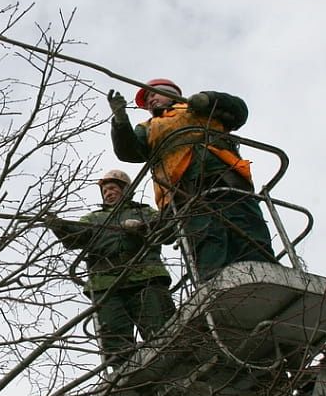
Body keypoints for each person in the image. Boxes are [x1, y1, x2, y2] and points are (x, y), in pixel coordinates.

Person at [107, 78, 276, 281]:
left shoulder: (197, 108)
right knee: (206, 238)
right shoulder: (148, 128)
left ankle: (267, 274)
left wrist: (208, 98)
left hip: (226, 179)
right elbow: (129, 152)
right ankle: (214, 283)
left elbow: (238, 111)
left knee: (247, 229)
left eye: (154, 94)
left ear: (171, 93)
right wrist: (120, 120)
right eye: (147, 99)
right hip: (184, 193)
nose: (151, 100)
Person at [46, 170, 175, 368]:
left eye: (113, 188)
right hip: (106, 285)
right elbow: (75, 237)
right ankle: (130, 381)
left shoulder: (144, 212)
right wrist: (59, 225)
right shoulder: (93, 219)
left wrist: (142, 228)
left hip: (145, 277)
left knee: (162, 332)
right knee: (116, 344)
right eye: (105, 190)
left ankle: (171, 371)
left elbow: (167, 232)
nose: (108, 193)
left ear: (126, 190)